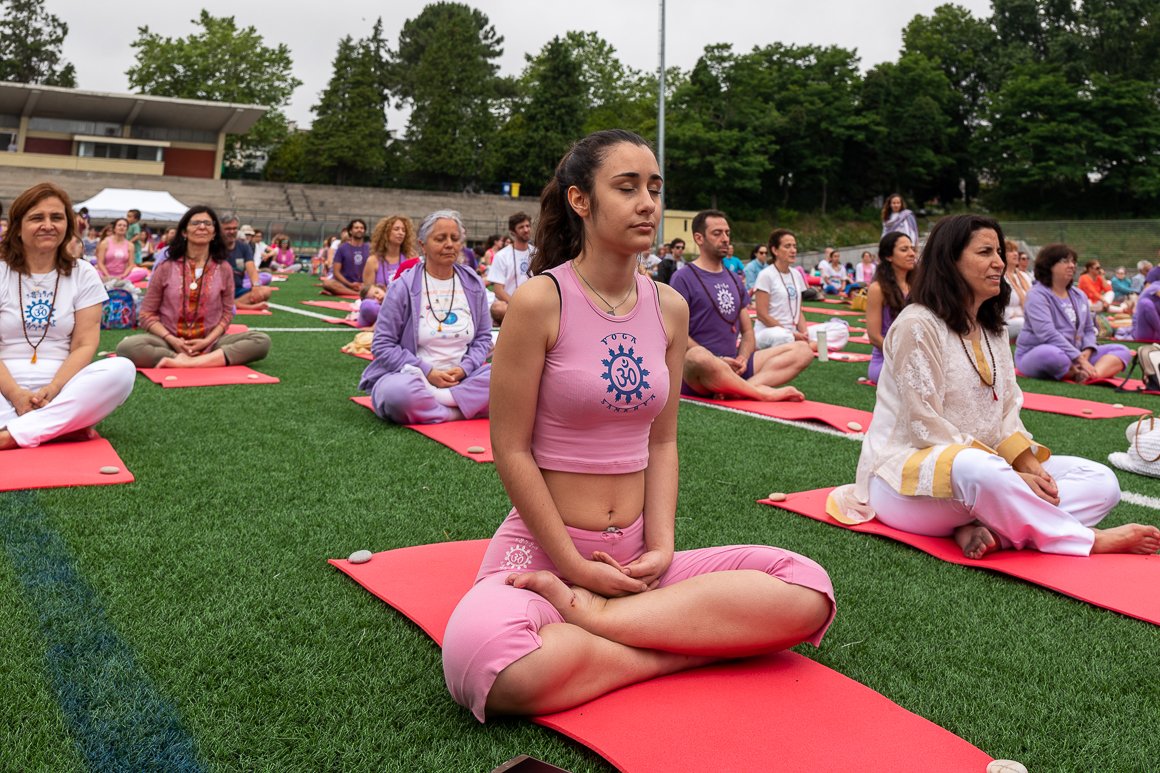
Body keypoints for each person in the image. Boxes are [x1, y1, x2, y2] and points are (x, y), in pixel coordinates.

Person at [441, 129, 835, 723]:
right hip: (546, 557)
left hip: (639, 560)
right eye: (627, 188)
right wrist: (574, 569)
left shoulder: (667, 306)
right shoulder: (540, 300)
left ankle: (602, 623)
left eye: (653, 187)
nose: (648, 203)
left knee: (807, 590)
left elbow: (663, 440)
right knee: (488, 666)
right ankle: (685, 644)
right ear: (581, 200)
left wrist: (661, 546)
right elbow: (511, 449)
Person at [828, 214, 1159, 558]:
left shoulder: (993, 328)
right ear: (949, 261)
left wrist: (1027, 465)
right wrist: (1011, 479)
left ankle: (994, 532)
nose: (1000, 262)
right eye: (985, 252)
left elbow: (1007, 412)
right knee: (978, 469)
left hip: (989, 477)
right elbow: (924, 426)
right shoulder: (917, 324)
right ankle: (1085, 539)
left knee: (1101, 481)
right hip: (906, 482)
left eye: (999, 252)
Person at [0, 183, 135, 450]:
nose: (48, 225)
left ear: (68, 226)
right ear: (17, 227)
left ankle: (11, 434)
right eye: (37, 218)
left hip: (63, 386)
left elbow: (85, 344)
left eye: (56, 217)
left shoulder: (83, 273)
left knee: (122, 370)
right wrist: (15, 395)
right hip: (3, 384)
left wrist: (54, 388)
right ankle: (56, 427)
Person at [357, 210, 491, 424]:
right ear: (423, 245)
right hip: (413, 377)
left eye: (455, 238)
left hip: (463, 378)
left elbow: (483, 338)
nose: (449, 244)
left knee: (511, 378)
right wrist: (427, 372)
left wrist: (464, 369)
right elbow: (382, 345)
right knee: (396, 395)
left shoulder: (473, 283)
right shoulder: (403, 286)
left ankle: (442, 404)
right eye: (440, 238)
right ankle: (457, 408)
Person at [670, 211, 809, 401]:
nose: (725, 239)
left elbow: (748, 332)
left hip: (735, 364)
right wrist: (717, 360)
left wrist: (742, 357)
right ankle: (760, 393)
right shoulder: (682, 278)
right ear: (699, 238)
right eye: (717, 233)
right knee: (697, 356)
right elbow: (676, 334)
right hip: (700, 370)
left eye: (727, 233)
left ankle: (740, 389)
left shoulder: (734, 279)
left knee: (803, 350)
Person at [115, 207, 271, 368]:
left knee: (261, 341)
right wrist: (172, 340)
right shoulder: (166, 267)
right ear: (184, 232)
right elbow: (147, 314)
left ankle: (190, 362)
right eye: (196, 223)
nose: (202, 226)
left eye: (207, 223)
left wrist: (207, 341)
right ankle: (190, 359)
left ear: (214, 233)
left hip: (211, 342)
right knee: (127, 347)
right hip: (168, 342)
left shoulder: (224, 268)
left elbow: (227, 314)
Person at [1015, 244, 1131, 383]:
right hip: (1041, 353)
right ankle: (1076, 371)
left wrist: (1088, 350)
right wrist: (1078, 357)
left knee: (1122, 350)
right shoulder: (1037, 295)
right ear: (1049, 265)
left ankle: (1091, 375)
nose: (1072, 266)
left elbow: (1089, 329)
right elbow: (1047, 333)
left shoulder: (1079, 295)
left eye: (1073, 262)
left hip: (1078, 354)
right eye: (1065, 261)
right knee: (1052, 355)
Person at [752, 229, 848, 353]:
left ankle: (805, 346)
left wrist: (804, 335)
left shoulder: (796, 274)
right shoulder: (766, 275)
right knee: (783, 337)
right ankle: (806, 346)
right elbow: (762, 315)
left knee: (841, 330)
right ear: (775, 250)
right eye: (787, 246)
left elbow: (798, 311)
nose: (793, 250)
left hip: (793, 332)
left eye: (794, 246)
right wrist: (792, 334)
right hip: (770, 332)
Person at [865, 231, 916, 383]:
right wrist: (904, 357)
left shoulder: (918, 285)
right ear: (889, 256)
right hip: (886, 361)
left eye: (912, 248)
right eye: (904, 249)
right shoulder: (877, 289)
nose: (912, 253)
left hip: (915, 356)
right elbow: (874, 337)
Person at [487, 212, 533, 324]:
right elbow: (498, 290)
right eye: (521, 227)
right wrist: (517, 304)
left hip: (533, 306)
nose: (526, 229)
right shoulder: (502, 256)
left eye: (527, 226)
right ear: (513, 232)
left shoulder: (537, 253)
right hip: (510, 307)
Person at [218, 216, 271, 311]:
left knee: (266, 291)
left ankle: (232, 304)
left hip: (237, 290)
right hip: (218, 290)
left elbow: (251, 269)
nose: (232, 231)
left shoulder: (244, 247)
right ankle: (243, 305)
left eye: (234, 228)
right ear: (220, 229)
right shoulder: (213, 246)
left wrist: (256, 286)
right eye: (228, 229)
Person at [362, 215, 416, 290]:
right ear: (386, 233)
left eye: (404, 230)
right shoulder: (372, 261)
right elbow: (367, 292)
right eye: (396, 229)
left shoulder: (411, 258)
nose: (401, 233)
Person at [321, 219, 368, 296]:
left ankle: (360, 292)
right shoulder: (342, 248)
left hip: (365, 285)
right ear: (350, 231)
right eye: (356, 228)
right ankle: (357, 294)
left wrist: (365, 284)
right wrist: (350, 284)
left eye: (362, 228)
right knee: (327, 283)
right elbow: (336, 272)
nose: (359, 230)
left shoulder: (370, 248)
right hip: (346, 284)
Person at [1003, 239, 1031, 341]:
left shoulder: (1024, 276)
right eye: (1010, 251)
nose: (1015, 254)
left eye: (1016, 251)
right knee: (1025, 324)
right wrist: (1013, 314)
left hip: (1024, 318)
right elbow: (998, 308)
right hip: (1006, 322)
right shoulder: (1001, 279)